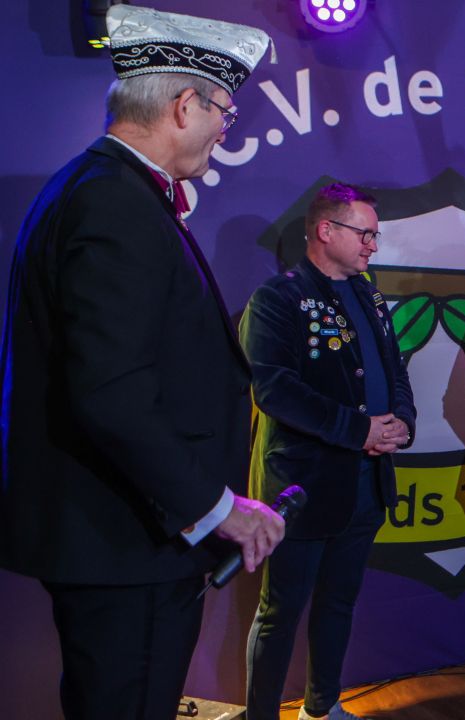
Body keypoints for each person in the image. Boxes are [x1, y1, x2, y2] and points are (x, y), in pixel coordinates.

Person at [0, 7, 284, 719]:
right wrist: (219, 508)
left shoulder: (101, 190)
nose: (225, 129)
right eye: (225, 112)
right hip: (126, 545)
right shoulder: (113, 202)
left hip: (126, 539)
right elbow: (112, 393)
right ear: (186, 106)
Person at [241, 183, 416, 720]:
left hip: (366, 486)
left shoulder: (371, 296)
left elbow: (395, 371)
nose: (373, 246)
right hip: (302, 489)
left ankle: (321, 707)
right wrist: (359, 429)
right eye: (365, 234)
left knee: (339, 602)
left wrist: (403, 421)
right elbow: (275, 389)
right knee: (280, 611)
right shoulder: (277, 299)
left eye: (375, 236)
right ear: (325, 230)